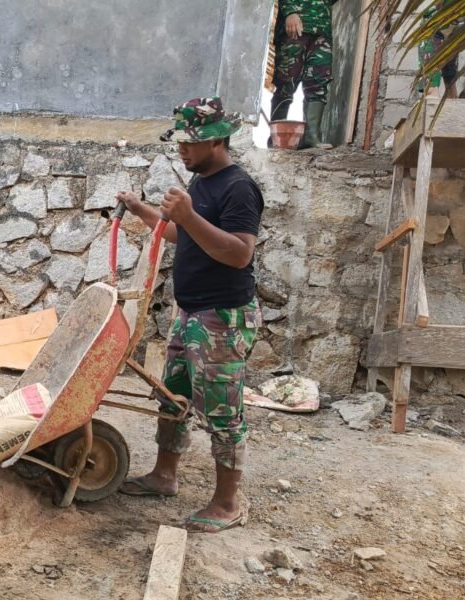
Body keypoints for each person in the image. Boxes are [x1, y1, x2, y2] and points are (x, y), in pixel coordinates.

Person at [116, 97, 263, 534]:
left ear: (216, 140)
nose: (181, 150)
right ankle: (164, 476)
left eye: (189, 143)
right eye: (178, 142)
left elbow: (239, 253)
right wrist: (146, 211)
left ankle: (228, 502)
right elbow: (190, 236)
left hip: (223, 316)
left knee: (221, 410)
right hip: (193, 312)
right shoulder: (201, 182)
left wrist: (190, 215)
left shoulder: (239, 187)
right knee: (172, 394)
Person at [270, 0, 339, 148]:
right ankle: (276, 138)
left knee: (319, 83)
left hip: (322, 30)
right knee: (286, 82)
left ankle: (311, 137)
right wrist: (290, 12)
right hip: (295, 27)